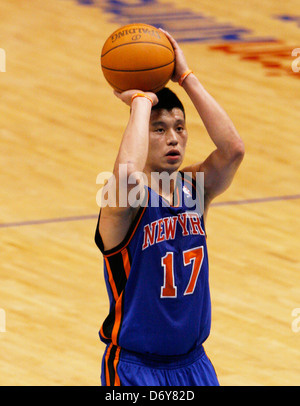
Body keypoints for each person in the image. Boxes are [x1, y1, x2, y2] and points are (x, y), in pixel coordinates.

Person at [95, 29, 245, 386]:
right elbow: (129, 173)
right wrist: (141, 102)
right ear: (139, 133)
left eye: (180, 127)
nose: (174, 137)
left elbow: (233, 150)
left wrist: (186, 77)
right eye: (159, 130)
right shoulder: (124, 202)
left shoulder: (194, 188)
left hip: (195, 365)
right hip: (135, 369)